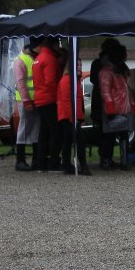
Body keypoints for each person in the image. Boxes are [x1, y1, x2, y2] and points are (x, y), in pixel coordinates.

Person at [97, 41, 135, 170]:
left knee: (124, 135)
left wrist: (132, 105)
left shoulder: (122, 69)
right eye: (125, 54)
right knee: (110, 136)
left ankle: (124, 161)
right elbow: (105, 91)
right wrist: (110, 109)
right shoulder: (106, 71)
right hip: (113, 108)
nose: (126, 56)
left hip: (124, 107)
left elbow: (128, 89)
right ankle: (106, 160)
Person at [55, 47, 89, 176]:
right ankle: (82, 165)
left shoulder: (73, 80)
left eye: (80, 65)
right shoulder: (68, 80)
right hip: (69, 116)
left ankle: (67, 165)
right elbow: (67, 101)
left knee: (68, 140)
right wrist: (74, 118)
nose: (80, 67)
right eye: (77, 65)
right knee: (79, 141)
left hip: (70, 116)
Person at [32, 35, 60, 172]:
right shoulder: (50, 58)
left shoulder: (38, 58)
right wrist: (58, 97)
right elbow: (51, 81)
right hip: (49, 98)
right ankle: (53, 161)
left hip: (40, 98)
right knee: (55, 131)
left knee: (44, 131)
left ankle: (41, 161)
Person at [13, 38, 39, 171]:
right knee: (24, 128)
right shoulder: (20, 60)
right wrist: (26, 100)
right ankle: (20, 160)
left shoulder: (33, 58)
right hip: (25, 100)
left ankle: (35, 159)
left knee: (35, 129)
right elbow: (20, 83)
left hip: (35, 99)